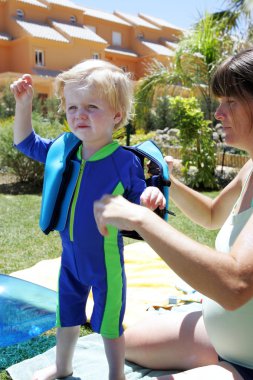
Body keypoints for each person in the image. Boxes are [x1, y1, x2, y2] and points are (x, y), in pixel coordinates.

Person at [94, 47, 253, 380]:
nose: (218, 113)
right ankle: (216, 360)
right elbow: (211, 214)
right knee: (127, 343)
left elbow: (236, 284)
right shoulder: (250, 168)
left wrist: (140, 219)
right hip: (223, 335)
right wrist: (166, 178)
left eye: (230, 102)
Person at [10, 59, 165, 380]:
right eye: (72, 107)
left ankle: (116, 376)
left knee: (109, 324)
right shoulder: (65, 150)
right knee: (66, 317)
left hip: (105, 262)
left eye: (92, 107)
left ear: (117, 116)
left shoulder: (124, 162)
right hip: (69, 260)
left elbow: (140, 203)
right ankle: (63, 366)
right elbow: (25, 142)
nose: (79, 115)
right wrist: (23, 106)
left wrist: (151, 199)